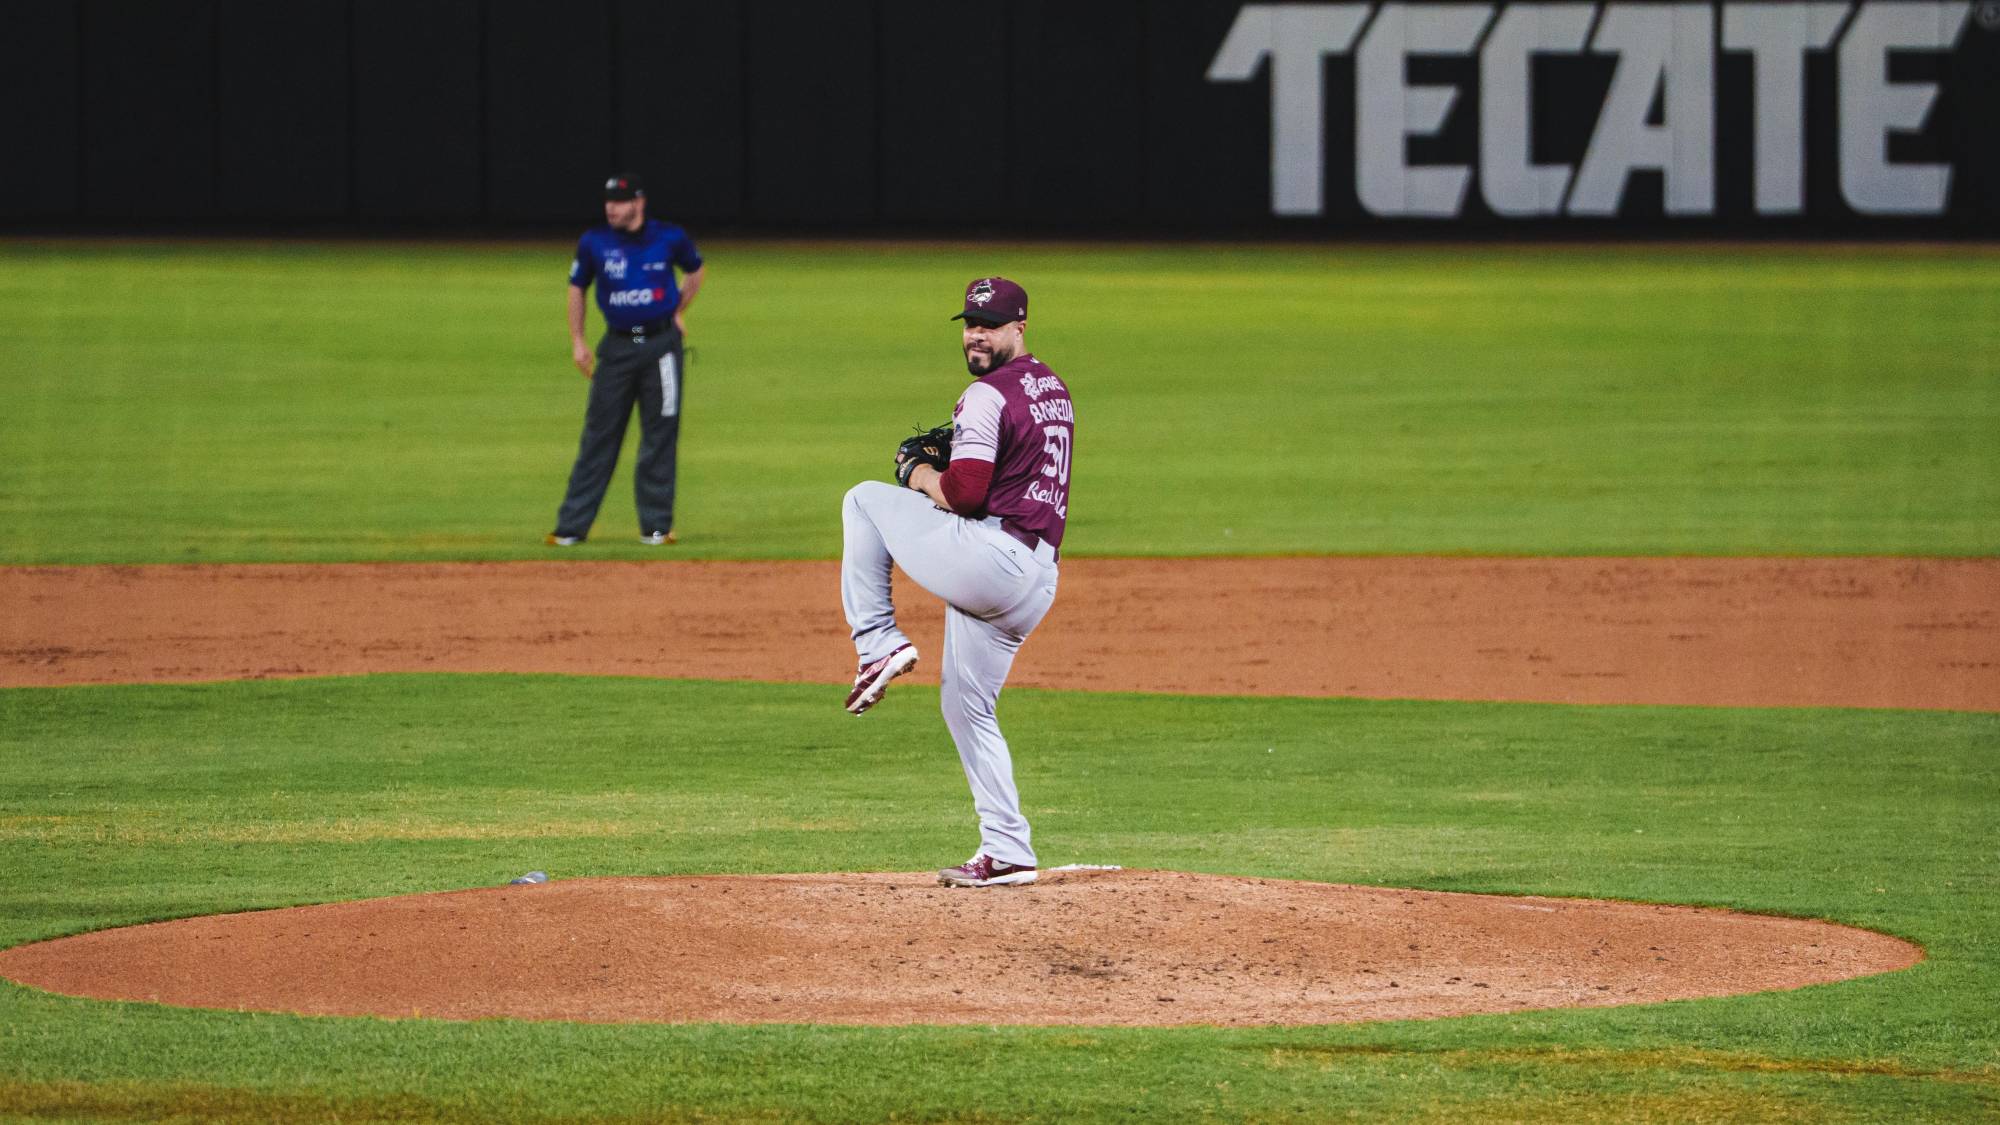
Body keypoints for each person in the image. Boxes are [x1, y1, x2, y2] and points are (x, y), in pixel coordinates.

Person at [839, 277, 1074, 889]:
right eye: (970, 321)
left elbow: (965, 498)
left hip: (992, 560)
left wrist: (916, 472)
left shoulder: (985, 395)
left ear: (1019, 327)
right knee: (966, 705)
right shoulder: (1050, 386)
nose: (976, 333)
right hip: (1034, 578)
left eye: (990, 323)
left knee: (865, 499)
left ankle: (877, 644)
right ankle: (1008, 848)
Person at [547, 173, 706, 547]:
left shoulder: (669, 237)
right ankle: (571, 527)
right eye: (607, 201)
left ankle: (655, 527)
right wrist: (578, 340)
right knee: (599, 436)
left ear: (638, 202)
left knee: (660, 436)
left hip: (661, 347)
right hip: (616, 348)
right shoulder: (594, 242)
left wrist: (678, 311)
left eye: (619, 201)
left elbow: (695, 270)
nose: (611, 208)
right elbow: (576, 289)